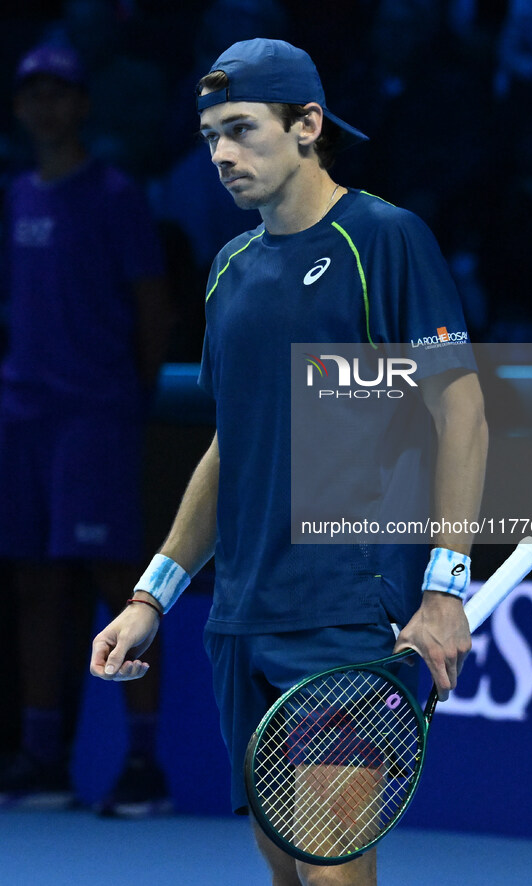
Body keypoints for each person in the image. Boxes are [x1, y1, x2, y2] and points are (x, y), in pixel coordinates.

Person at [90, 38, 488, 884]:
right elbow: (230, 446)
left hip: (345, 613)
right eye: (209, 137)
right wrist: (151, 595)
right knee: (287, 877)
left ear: (307, 125)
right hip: (241, 616)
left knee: (332, 876)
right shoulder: (229, 270)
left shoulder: (381, 239)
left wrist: (444, 588)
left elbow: (460, 412)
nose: (222, 155)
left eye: (240, 129)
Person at [0, 45, 173, 817]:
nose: (46, 107)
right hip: (24, 419)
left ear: (82, 106)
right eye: (32, 94)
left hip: (95, 416)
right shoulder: (15, 197)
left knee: (117, 584)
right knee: (36, 584)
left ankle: (143, 766)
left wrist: (123, 402)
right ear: (19, 107)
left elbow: (151, 311)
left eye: (59, 94)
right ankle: (45, 761)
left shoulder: (115, 197)